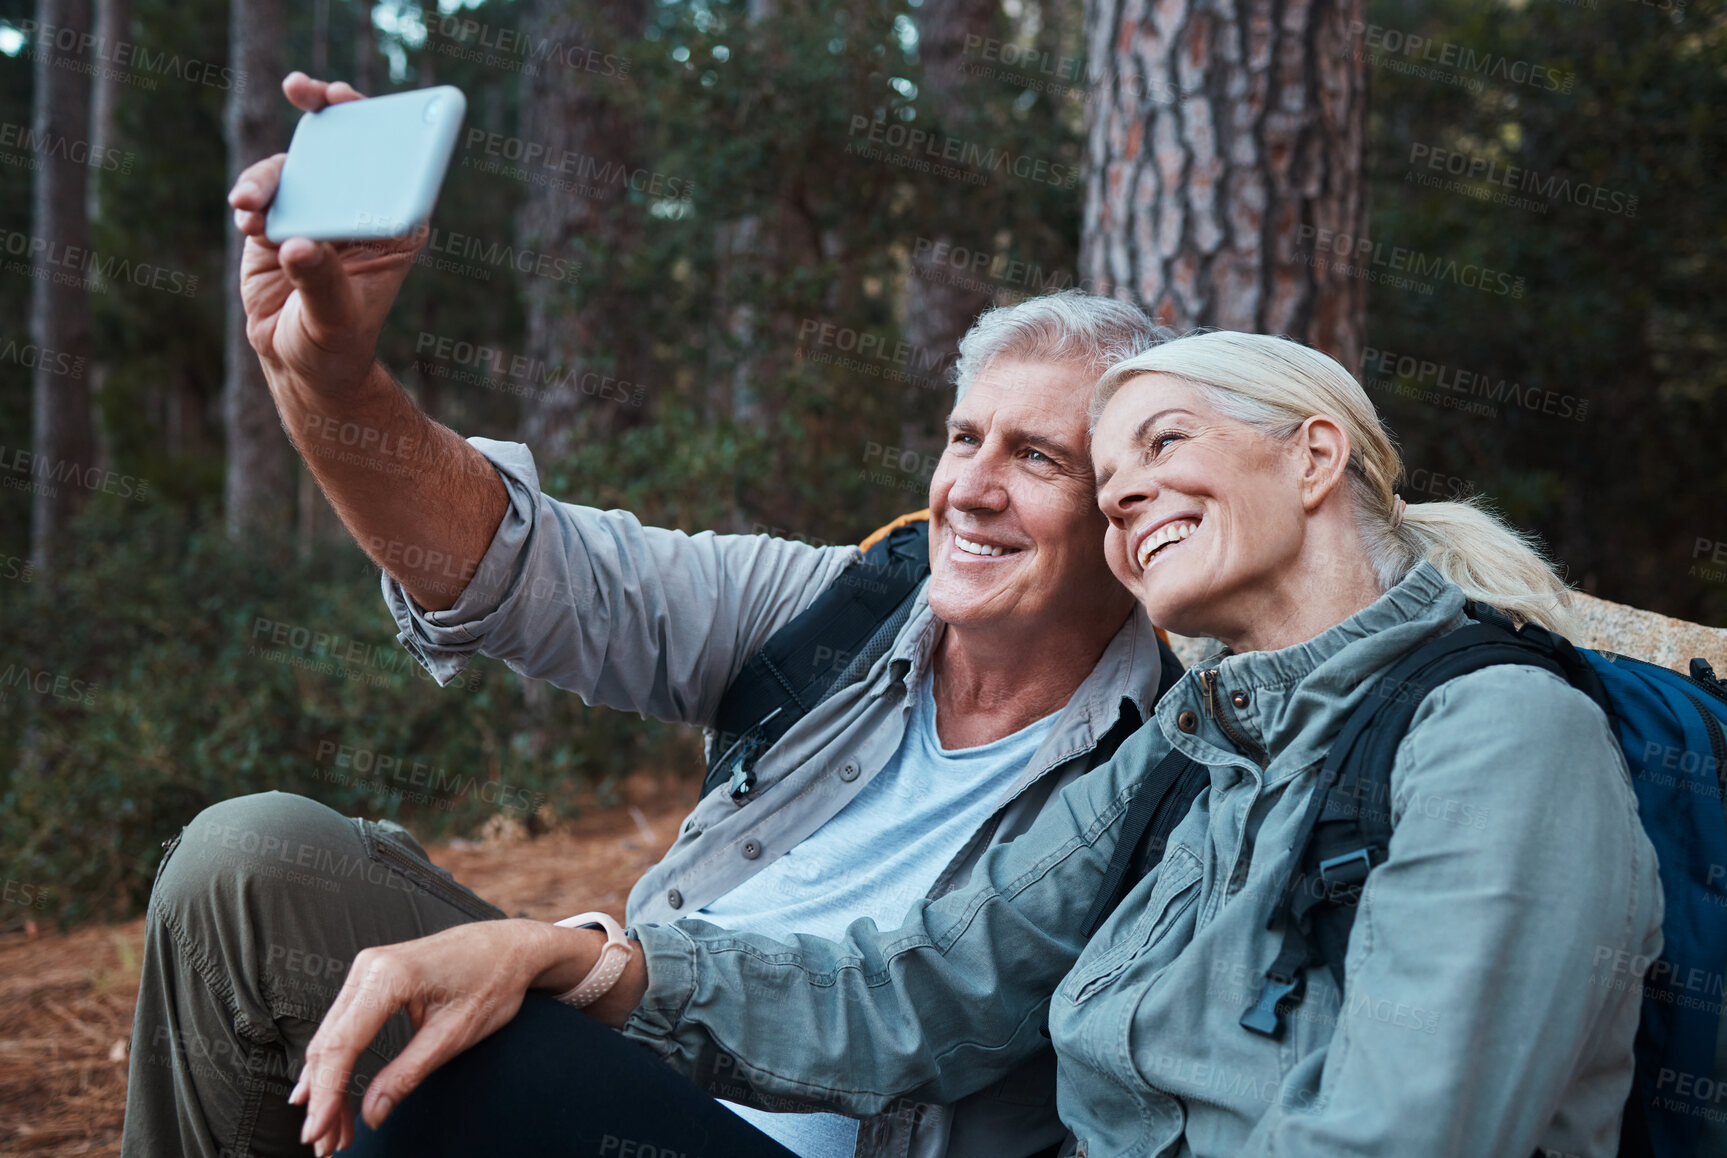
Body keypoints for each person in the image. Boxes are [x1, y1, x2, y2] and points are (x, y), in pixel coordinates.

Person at [120, 73, 1177, 1158]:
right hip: (621, 1053)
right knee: (246, 863)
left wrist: (591, 965)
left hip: (733, 1108)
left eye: (1037, 457)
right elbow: (511, 566)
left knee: (467, 1061)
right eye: (965, 438)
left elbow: (921, 1005)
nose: (972, 489)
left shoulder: (1169, 762)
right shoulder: (844, 609)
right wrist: (332, 386)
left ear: (1126, 509)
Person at [291, 329, 1662, 1158]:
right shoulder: (1190, 747)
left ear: (1311, 460)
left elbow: (1408, 1135)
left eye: (1156, 443)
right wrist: (587, 960)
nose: (1128, 496)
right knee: (484, 1063)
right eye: (1112, 478)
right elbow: (922, 982)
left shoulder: (1496, 737)